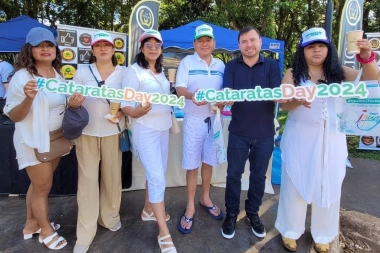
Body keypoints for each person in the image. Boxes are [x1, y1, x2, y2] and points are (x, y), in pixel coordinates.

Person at [275, 27, 380, 253]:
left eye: (321, 46)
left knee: (330, 186)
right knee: (295, 185)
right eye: (311, 46)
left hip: (333, 138)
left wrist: (366, 58)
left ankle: (324, 234)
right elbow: (284, 103)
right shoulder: (293, 74)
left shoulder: (341, 73)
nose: (316, 50)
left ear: (328, 49)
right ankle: (289, 230)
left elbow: (372, 81)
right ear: (302, 51)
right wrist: (298, 101)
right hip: (300, 139)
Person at [4, 27, 83, 250]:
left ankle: (31, 224)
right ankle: (46, 230)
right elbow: (14, 115)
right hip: (33, 140)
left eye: (49, 45)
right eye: (39, 46)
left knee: (38, 186)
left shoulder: (57, 75)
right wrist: (28, 99)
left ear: (55, 49)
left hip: (55, 139)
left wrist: (74, 103)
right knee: (43, 187)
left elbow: (60, 105)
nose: (45, 49)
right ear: (30, 50)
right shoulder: (22, 77)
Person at [221, 26, 281, 239]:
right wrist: (225, 96)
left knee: (258, 177)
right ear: (239, 45)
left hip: (265, 132)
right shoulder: (231, 66)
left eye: (252, 40)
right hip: (238, 130)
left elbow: (277, 94)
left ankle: (253, 212)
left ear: (260, 42)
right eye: (244, 41)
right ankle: (231, 213)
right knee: (233, 175)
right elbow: (226, 89)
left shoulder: (272, 65)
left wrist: (283, 96)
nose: (249, 45)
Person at [121, 29, 176, 253]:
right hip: (145, 130)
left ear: (161, 49)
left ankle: (148, 211)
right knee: (156, 178)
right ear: (141, 48)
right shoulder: (133, 72)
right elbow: (126, 105)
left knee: (157, 174)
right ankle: (164, 233)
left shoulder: (161, 71)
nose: (153, 47)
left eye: (157, 44)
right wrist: (137, 113)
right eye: (148, 44)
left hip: (163, 128)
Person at [72, 31, 125, 253]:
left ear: (114, 50)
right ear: (92, 50)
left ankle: (110, 217)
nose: (103, 49)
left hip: (113, 131)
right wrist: (74, 102)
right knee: (87, 182)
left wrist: (123, 111)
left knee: (112, 179)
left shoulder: (125, 72)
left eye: (107, 45)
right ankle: (85, 232)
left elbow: (130, 99)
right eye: (98, 45)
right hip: (86, 132)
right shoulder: (82, 71)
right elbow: (72, 97)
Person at [175, 24, 225, 234]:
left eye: (208, 40)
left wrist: (223, 101)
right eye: (200, 40)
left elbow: (225, 91)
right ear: (194, 44)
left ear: (214, 43)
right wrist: (190, 95)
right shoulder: (187, 62)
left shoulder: (221, 64)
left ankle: (205, 198)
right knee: (192, 164)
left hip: (214, 120)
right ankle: (190, 206)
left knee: (208, 162)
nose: (204, 44)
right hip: (193, 119)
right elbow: (179, 88)